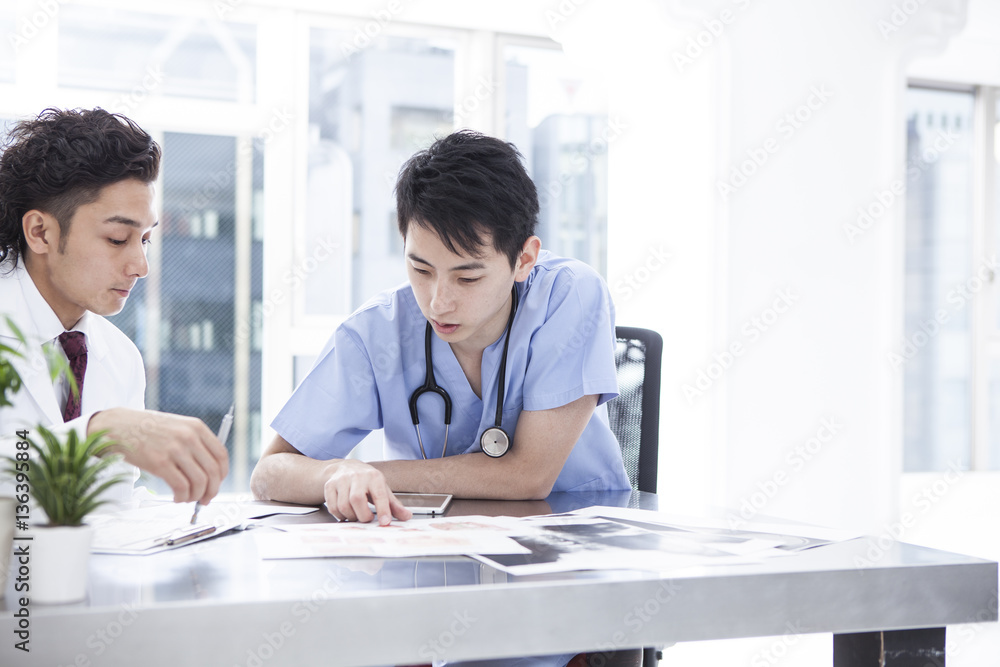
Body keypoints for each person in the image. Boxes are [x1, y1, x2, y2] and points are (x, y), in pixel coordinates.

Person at [251, 129, 629, 526]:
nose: (437, 302)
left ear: (524, 259)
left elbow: (527, 476)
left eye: (467, 278)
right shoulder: (376, 334)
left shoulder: (571, 295)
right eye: (420, 269)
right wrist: (336, 473)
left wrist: (378, 476)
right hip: (440, 550)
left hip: (575, 542)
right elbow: (269, 473)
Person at [0, 107, 229, 505]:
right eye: (118, 239)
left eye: (145, 240)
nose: (140, 267)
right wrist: (99, 432)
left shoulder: (120, 358)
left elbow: (109, 504)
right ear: (40, 232)